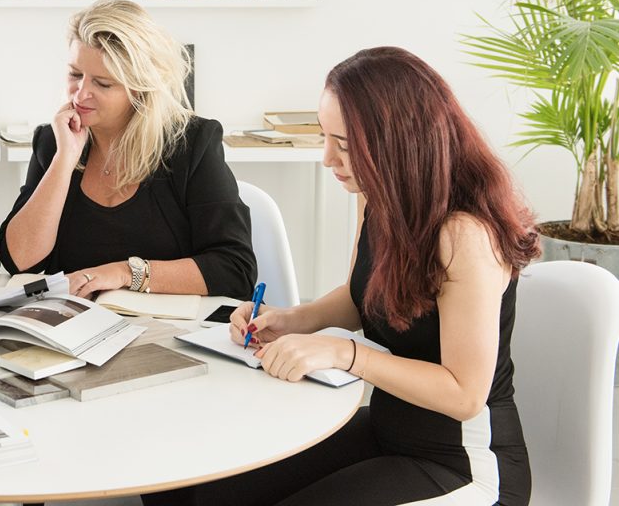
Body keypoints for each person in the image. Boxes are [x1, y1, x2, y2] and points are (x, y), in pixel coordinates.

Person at [189, 47, 538, 505]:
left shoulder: (465, 234)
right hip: (389, 431)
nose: (328, 159)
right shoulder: (378, 195)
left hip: (466, 465)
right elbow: (362, 298)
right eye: (325, 138)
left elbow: (464, 394)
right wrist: (293, 320)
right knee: (208, 490)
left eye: (347, 146)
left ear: (401, 142)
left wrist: (343, 353)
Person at [0, 0, 256, 299]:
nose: (81, 94)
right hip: (74, 329)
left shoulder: (192, 143)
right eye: (75, 74)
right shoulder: (55, 140)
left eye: (103, 84)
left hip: (170, 329)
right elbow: (19, 261)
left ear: (140, 88)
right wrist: (64, 160)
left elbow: (235, 270)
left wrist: (125, 272)